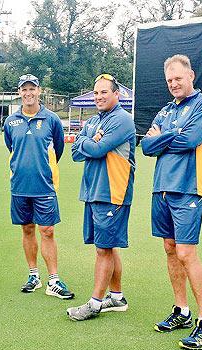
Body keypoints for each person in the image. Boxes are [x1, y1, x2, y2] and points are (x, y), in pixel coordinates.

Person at [140, 54, 202, 350]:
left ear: (191, 76)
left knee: (187, 252)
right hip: (161, 188)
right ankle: (181, 311)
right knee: (170, 250)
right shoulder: (164, 110)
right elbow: (146, 146)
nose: (174, 84)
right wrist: (166, 138)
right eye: (169, 80)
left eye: (178, 78)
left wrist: (165, 136)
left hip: (189, 188)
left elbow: (191, 140)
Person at [67, 73, 136, 321]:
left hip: (112, 192)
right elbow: (75, 153)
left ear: (117, 94)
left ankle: (95, 303)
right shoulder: (95, 121)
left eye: (104, 92)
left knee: (103, 249)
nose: (99, 97)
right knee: (108, 246)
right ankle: (116, 297)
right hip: (94, 191)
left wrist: (86, 141)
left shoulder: (122, 120)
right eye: (96, 93)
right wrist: (88, 140)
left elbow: (96, 149)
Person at [3, 74, 74, 299]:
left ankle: (53, 280)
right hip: (20, 186)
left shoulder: (51, 119)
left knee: (48, 231)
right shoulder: (10, 121)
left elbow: (59, 148)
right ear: (19, 92)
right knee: (27, 229)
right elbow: (11, 147)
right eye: (24, 89)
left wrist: (45, 167)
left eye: (32, 89)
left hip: (45, 185)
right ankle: (34, 276)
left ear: (39, 91)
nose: (28, 93)